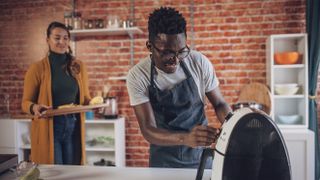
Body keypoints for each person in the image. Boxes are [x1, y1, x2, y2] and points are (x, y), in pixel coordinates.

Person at [126, 7, 232, 168]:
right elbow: (148, 129)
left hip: (201, 157)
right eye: (167, 53)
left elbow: (219, 104)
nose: (175, 60)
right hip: (163, 161)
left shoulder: (198, 62)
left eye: (181, 51)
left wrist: (232, 125)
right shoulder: (138, 75)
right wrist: (185, 138)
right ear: (149, 46)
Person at [21, 21, 91, 165]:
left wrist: (97, 104)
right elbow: (25, 103)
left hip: (73, 125)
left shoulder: (78, 67)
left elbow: (85, 99)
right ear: (48, 40)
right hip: (50, 127)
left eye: (65, 38)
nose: (62, 42)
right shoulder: (37, 69)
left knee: (72, 171)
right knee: (53, 172)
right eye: (57, 38)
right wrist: (34, 108)